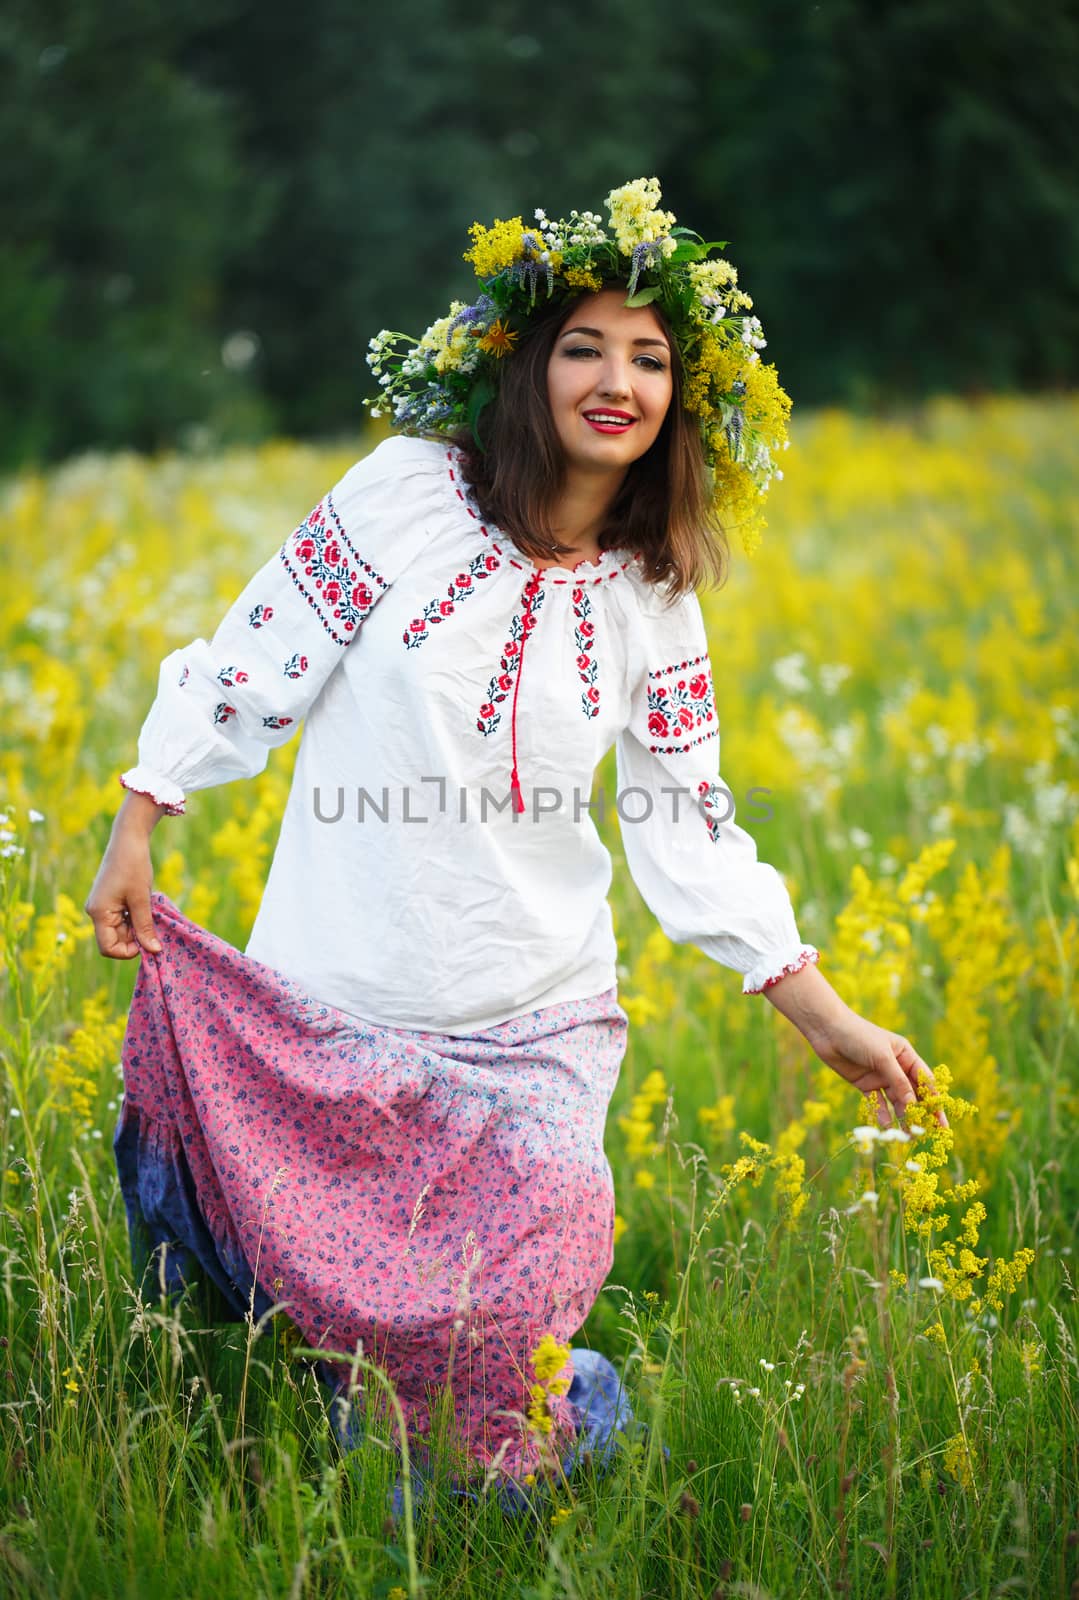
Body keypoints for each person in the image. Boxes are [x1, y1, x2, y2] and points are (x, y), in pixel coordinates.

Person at [85, 178, 944, 1515]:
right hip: (335, 1004)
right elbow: (260, 656)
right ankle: (388, 1424)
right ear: (524, 364)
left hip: (534, 1026)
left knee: (477, 1408)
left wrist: (819, 1012)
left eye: (651, 357)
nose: (618, 379)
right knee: (334, 1341)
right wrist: (145, 812)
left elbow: (686, 822)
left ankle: (550, 1433)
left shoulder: (657, 594)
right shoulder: (403, 495)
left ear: (683, 397)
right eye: (585, 345)